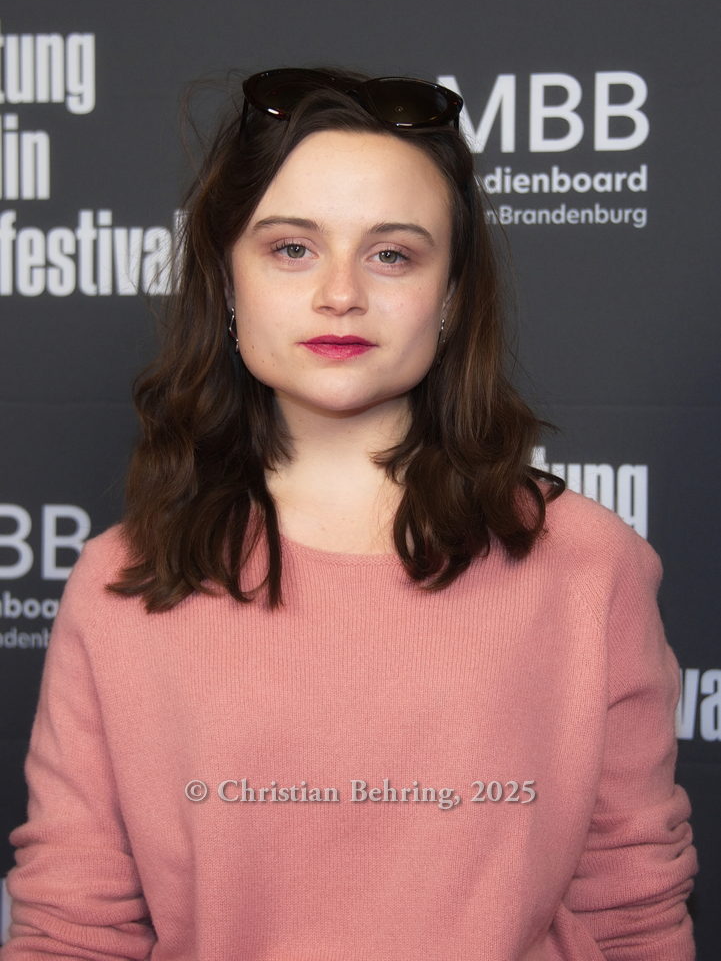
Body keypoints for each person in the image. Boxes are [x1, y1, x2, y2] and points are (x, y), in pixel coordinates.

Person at [4, 67, 697, 960]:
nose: (340, 293)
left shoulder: (586, 563)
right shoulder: (123, 581)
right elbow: (73, 927)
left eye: (391, 254)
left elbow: (632, 908)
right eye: (292, 248)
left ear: (452, 296)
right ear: (226, 280)